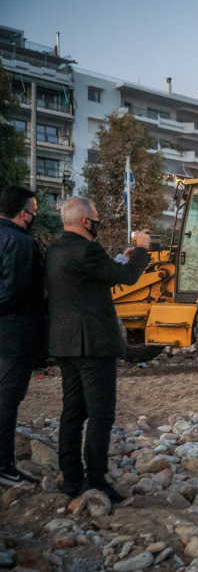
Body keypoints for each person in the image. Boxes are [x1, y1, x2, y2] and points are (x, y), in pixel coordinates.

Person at [46, 197, 151, 501]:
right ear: (84, 221)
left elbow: (98, 275)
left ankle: (71, 480)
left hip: (64, 343)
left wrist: (122, 256)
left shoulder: (55, 250)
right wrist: (142, 248)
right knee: (101, 415)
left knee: (72, 412)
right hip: (93, 344)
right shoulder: (89, 249)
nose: (98, 220)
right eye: (96, 216)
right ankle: (96, 480)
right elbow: (127, 278)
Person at [0, 186, 45, 486]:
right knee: (7, 400)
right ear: (23, 213)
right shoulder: (20, 242)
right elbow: (13, 291)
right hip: (14, 335)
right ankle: (4, 468)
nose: (34, 217)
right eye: (34, 212)